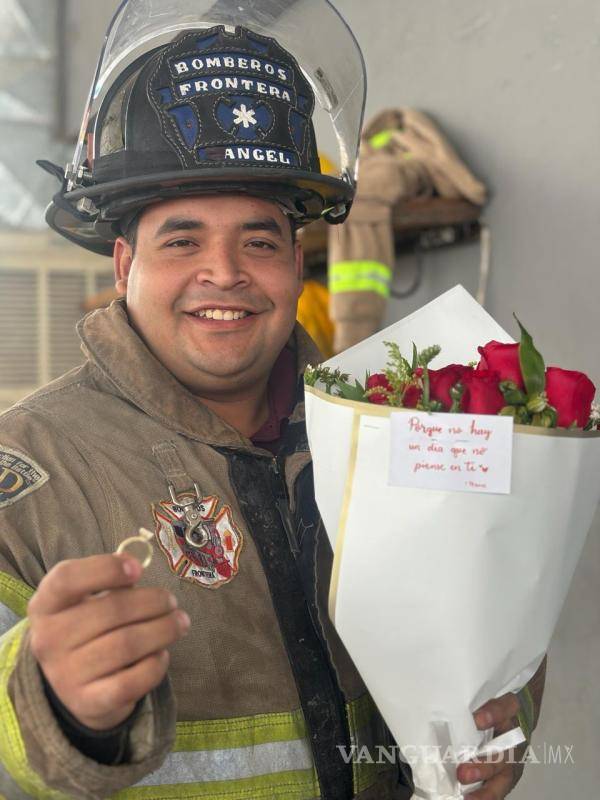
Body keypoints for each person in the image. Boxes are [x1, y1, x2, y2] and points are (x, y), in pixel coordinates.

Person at [0, 2, 546, 799]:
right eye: (182, 240)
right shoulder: (30, 472)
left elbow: (491, 617)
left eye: (258, 240)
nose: (225, 272)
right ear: (124, 265)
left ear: (296, 261)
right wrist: (54, 705)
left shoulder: (397, 428)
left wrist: (503, 715)